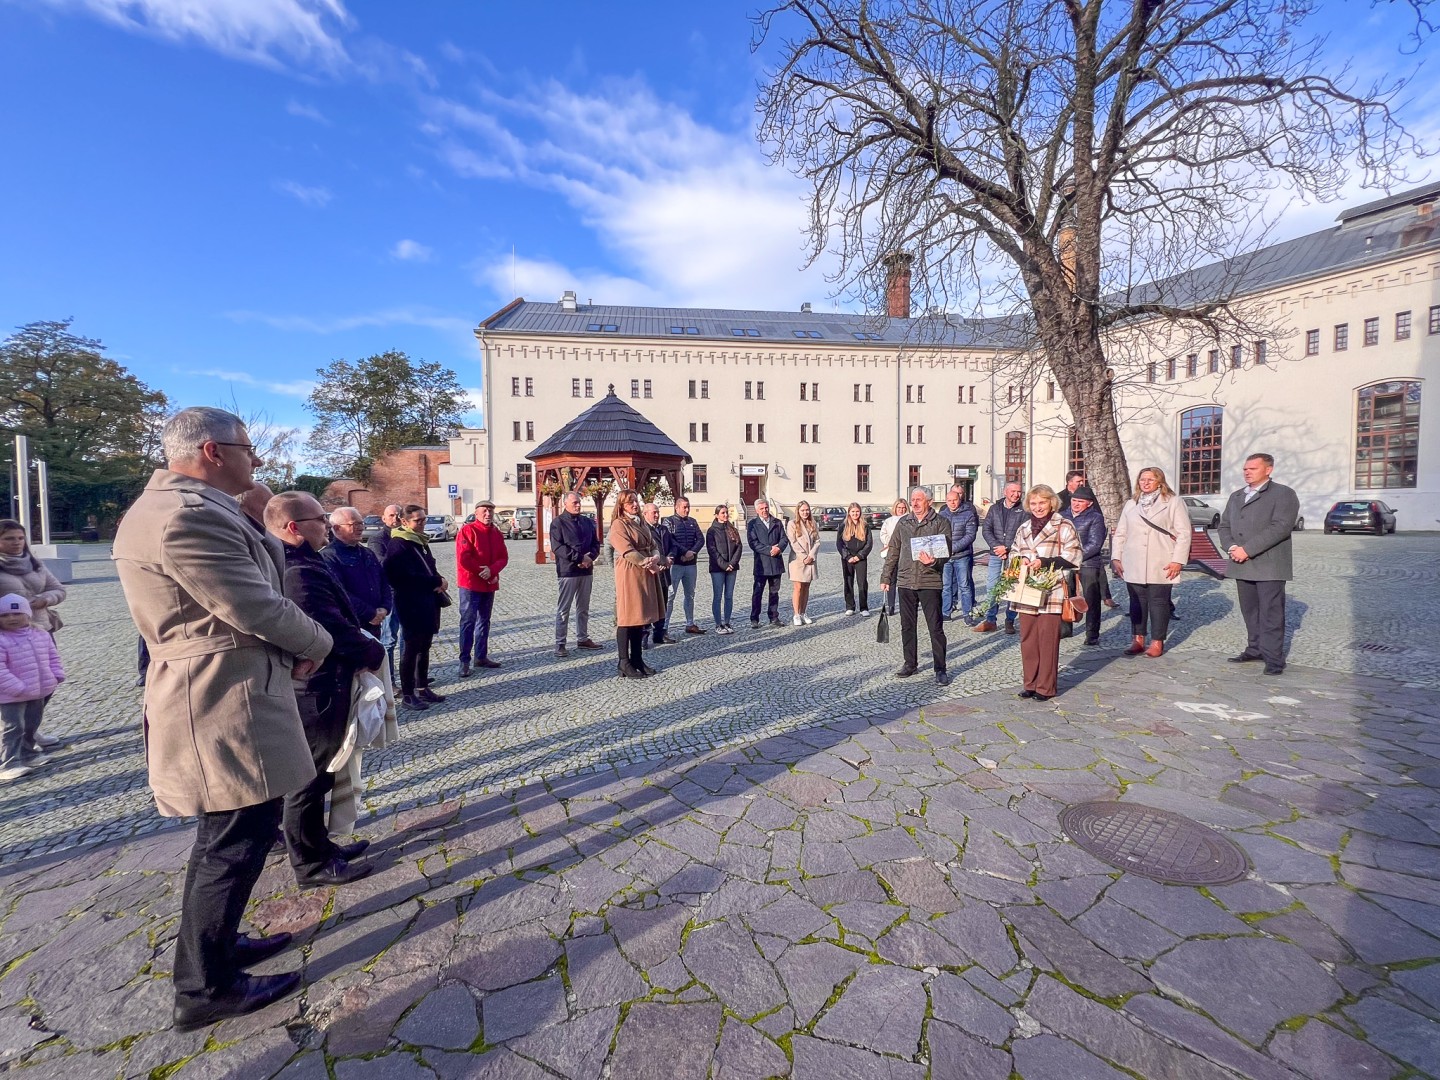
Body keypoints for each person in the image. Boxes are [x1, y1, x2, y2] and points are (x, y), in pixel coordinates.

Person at [113, 406, 332, 1031]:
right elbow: (254, 602)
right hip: (216, 695)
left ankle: (219, 950)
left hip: (228, 686)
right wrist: (319, 643)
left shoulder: (195, 506)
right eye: (247, 449)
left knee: (241, 831)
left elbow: (261, 557)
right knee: (231, 839)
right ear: (212, 451)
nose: (255, 460)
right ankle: (205, 985)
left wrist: (257, 495)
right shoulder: (184, 516)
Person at [265, 492, 381, 888]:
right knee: (309, 778)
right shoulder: (295, 570)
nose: (327, 523)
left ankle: (321, 846)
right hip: (316, 686)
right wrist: (371, 648)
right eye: (321, 518)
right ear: (294, 527)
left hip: (328, 680)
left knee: (323, 770)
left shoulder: (306, 559)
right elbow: (327, 624)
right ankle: (310, 863)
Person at [1217, 453, 1300, 676]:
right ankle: (1254, 648)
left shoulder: (1283, 494)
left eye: (1252, 468)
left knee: (1271, 613)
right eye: (1245, 469)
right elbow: (1224, 526)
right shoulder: (1236, 496)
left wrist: (1248, 549)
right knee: (1250, 610)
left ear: (1268, 470)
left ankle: (1273, 658)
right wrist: (1232, 547)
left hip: (1269, 564)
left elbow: (1281, 527)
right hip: (1240, 562)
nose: (1247, 472)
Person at [1011, 484, 1084, 702]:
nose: (1038, 507)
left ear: (1051, 502)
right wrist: (1020, 559)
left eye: (1042, 502)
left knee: (1047, 639)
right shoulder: (1024, 527)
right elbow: (1014, 551)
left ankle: (1045, 686)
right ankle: (1030, 683)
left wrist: (1043, 562)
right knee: (1028, 638)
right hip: (1027, 589)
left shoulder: (1063, 525)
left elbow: (1074, 557)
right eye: (1033, 503)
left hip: (1051, 589)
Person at [1111, 467, 1191, 658]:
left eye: (1150, 480)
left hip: (1161, 559)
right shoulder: (1131, 504)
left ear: (1160, 482)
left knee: (1158, 602)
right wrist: (1116, 557)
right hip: (1134, 560)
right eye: (1142, 480)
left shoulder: (1172, 502)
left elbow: (1184, 533)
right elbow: (1121, 532)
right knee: (1137, 602)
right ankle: (1137, 639)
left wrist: (1178, 560)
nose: (1145, 483)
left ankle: (1157, 641)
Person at [0, 519, 66, 748]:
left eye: (20, 538)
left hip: (40, 630)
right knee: (14, 689)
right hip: (8, 636)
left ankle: (31, 729)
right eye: (9, 538)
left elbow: (58, 588)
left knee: (45, 683)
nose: (16, 542)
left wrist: (45, 599)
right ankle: (14, 738)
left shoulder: (35, 563)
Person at [881, 487, 952, 686]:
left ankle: (940, 668)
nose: (915, 503)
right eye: (913, 499)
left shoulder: (941, 523)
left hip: (930, 581)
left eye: (919, 499)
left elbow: (946, 552)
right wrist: (886, 576)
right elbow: (893, 550)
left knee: (935, 627)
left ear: (928, 501)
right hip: (905, 581)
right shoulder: (903, 522)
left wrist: (933, 562)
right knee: (907, 626)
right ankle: (910, 663)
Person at [385, 504, 450, 709]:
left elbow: (429, 566)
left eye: (424, 519)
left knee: (425, 647)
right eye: (418, 520)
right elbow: (398, 576)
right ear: (404, 522)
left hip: (428, 602)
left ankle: (423, 687)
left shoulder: (420, 541)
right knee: (411, 649)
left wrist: (439, 579)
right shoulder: (398, 544)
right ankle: (407, 694)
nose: (423, 523)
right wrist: (433, 582)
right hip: (410, 604)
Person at [0, 594, 64, 782]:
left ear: (28, 615)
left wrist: (56, 674)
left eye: (17, 613)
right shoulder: (2, 639)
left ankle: (28, 753)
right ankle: (8, 763)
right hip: (10, 695)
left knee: (31, 724)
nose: (11, 618)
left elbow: (53, 656)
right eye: (4, 615)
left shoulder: (41, 634)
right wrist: (17, 687)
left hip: (38, 689)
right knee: (12, 728)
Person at [609, 490, 663, 677]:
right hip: (630, 571)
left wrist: (655, 557)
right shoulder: (619, 524)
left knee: (639, 617)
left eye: (635, 501)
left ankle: (637, 658)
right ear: (622, 506)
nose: (634, 504)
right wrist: (645, 562)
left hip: (645, 571)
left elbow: (653, 544)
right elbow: (626, 549)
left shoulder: (640, 522)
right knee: (627, 616)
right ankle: (624, 662)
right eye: (629, 502)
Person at [322, 507, 393, 650]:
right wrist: (370, 614)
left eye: (361, 523)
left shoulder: (366, 553)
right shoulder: (329, 556)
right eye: (355, 524)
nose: (361, 528)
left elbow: (383, 581)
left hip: (375, 622)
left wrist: (385, 607)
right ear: (337, 528)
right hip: (353, 625)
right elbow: (340, 593)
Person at [454, 500, 506, 675]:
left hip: (488, 583)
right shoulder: (468, 531)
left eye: (490, 511)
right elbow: (464, 558)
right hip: (470, 584)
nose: (488, 514)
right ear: (476, 513)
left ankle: (481, 656)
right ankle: (464, 661)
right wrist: (481, 571)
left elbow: (503, 557)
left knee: (484, 621)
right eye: (484, 511)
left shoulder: (496, 532)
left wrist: (492, 570)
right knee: (468, 621)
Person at [549, 491, 603, 658]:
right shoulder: (558, 523)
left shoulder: (587, 522)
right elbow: (557, 547)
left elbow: (596, 543)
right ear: (565, 504)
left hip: (586, 570)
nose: (578, 505)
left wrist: (590, 558)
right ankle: (560, 643)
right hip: (568, 571)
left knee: (583, 607)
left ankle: (583, 638)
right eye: (574, 503)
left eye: (579, 502)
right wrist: (579, 558)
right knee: (564, 609)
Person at [976, 481, 1025, 634]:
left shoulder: (1024, 510)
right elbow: (986, 530)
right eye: (1013, 491)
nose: (1016, 494)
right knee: (992, 586)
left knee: (1012, 586)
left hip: (1015, 554)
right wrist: (997, 547)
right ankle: (991, 620)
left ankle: (1010, 619)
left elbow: (1023, 532)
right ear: (1005, 492)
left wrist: (1008, 548)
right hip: (996, 553)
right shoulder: (994, 508)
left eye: (1019, 492)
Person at [1062, 486, 1108, 646]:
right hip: (1066, 562)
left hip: (1088, 562)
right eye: (1074, 500)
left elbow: (1095, 544)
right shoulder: (1063, 515)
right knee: (1065, 594)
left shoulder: (1096, 517)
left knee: (1090, 599)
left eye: (1080, 502)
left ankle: (1092, 633)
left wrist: (1076, 557)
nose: (1075, 504)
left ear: (1088, 503)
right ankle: (1065, 627)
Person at [369, 504, 403, 686]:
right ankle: (389, 681)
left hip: (408, 594)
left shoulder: (406, 536)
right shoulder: (377, 539)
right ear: (384, 518)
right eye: (391, 515)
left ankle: (409, 676)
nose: (395, 518)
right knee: (389, 640)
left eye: (398, 515)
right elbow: (383, 564)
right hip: (390, 594)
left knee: (408, 637)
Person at [664, 496, 707, 635]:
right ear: (676, 507)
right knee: (670, 595)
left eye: (688, 507)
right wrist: (684, 552)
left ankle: (690, 623)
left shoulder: (692, 522)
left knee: (690, 595)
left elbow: (700, 539)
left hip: (690, 564)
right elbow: (670, 540)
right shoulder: (669, 521)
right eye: (684, 507)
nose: (687, 509)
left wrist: (692, 552)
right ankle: (664, 626)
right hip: (675, 564)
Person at [937, 486, 979, 624]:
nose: (952, 503)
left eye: (954, 500)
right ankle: (946, 612)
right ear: (946, 501)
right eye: (949, 500)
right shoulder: (941, 516)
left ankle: (967, 614)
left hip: (962, 555)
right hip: (946, 557)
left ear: (959, 499)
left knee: (964, 586)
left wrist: (953, 548)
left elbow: (970, 536)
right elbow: (937, 535)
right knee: (946, 586)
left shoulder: (968, 514)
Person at [747, 498, 789, 628]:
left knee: (774, 592)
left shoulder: (777, 522)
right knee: (757, 592)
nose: (765, 510)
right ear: (756, 510)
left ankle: (774, 617)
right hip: (762, 563)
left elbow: (784, 538)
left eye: (766, 508)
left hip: (776, 562)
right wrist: (769, 550)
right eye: (762, 509)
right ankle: (755, 618)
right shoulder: (752, 524)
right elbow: (753, 543)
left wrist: (779, 548)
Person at [642, 502, 677, 647]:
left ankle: (659, 634)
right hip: (650, 573)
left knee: (662, 604)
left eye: (657, 512)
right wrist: (662, 560)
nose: (656, 515)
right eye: (653, 512)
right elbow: (646, 550)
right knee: (648, 605)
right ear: (645, 514)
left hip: (664, 574)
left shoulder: (663, 529)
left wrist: (670, 557)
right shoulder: (643, 530)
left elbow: (673, 545)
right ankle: (644, 637)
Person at [705, 504, 742, 633]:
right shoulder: (712, 531)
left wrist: (732, 563)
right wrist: (724, 565)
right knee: (718, 596)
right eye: (722, 513)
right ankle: (718, 624)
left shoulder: (732, 528)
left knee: (729, 596)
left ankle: (727, 622)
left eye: (726, 512)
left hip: (732, 567)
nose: (725, 515)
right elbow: (712, 550)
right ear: (716, 515)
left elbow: (739, 547)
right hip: (717, 568)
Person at [836, 502, 873, 616]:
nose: (855, 513)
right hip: (848, 558)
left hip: (861, 558)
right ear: (849, 513)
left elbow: (869, 543)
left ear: (860, 512)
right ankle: (850, 606)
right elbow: (839, 543)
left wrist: (860, 556)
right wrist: (847, 556)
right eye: (853, 512)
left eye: (857, 511)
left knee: (862, 582)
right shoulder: (843, 526)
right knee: (848, 582)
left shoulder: (865, 525)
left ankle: (864, 607)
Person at [787, 500, 820, 625]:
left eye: (807, 510)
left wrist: (811, 555)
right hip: (797, 560)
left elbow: (817, 541)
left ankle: (803, 612)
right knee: (798, 587)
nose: (805, 512)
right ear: (798, 511)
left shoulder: (813, 523)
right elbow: (793, 542)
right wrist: (804, 557)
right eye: (802, 510)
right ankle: (796, 614)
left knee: (806, 587)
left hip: (810, 559)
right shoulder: (792, 524)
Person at [877, 498, 909, 616]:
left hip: (905, 552)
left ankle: (905, 604)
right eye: (899, 507)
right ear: (895, 508)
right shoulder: (888, 521)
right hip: (891, 551)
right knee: (891, 579)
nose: (901, 510)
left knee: (904, 580)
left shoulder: (909, 520)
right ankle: (891, 605)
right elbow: (883, 534)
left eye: (903, 508)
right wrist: (892, 542)